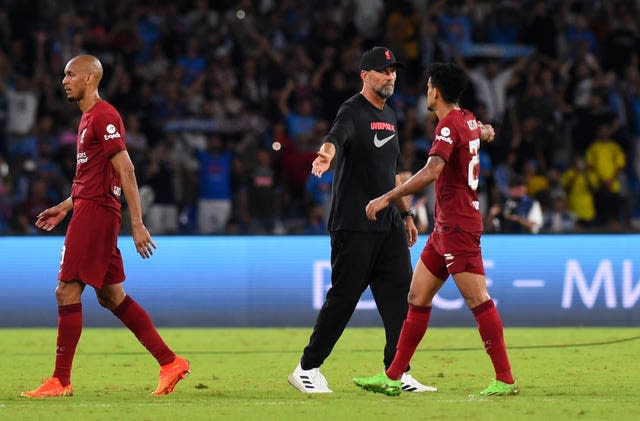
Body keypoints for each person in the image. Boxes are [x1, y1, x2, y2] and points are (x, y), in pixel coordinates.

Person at [21, 55, 190, 398]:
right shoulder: (87, 119)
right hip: (89, 208)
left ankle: (60, 380)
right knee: (111, 296)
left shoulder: (103, 115)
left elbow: (125, 170)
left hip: (97, 214)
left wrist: (138, 223)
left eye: (70, 74)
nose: (64, 80)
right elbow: (95, 175)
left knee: (66, 289)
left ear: (88, 78)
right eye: (63, 74)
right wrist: (67, 206)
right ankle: (170, 362)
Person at [353, 62, 518, 397]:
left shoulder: (448, 127)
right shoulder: (467, 119)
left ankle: (505, 379)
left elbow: (431, 171)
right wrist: (485, 131)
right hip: (445, 227)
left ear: (437, 92)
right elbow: (482, 130)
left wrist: (388, 197)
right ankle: (394, 375)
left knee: (478, 299)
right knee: (417, 296)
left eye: (429, 86)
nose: (426, 91)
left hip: (458, 224)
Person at [288, 46, 436, 394]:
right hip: (354, 223)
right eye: (383, 71)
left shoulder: (392, 116)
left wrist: (407, 214)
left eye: (393, 71)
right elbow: (334, 138)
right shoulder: (352, 110)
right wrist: (325, 156)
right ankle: (307, 368)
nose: (391, 76)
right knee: (344, 298)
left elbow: (395, 173)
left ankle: (396, 371)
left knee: (401, 297)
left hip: (389, 226)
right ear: (365, 76)